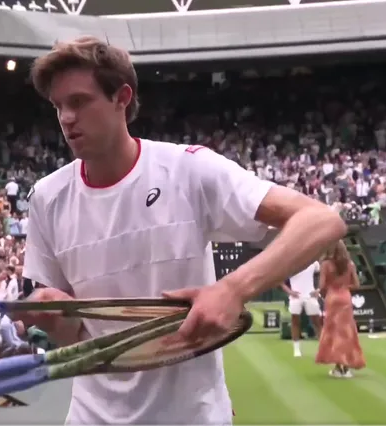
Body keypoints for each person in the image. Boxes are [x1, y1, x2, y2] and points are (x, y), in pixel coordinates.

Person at [19, 36, 347, 424]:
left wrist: (232, 290)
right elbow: (74, 336)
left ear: (121, 97)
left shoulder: (188, 169)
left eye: (78, 101)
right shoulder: (46, 197)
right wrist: (55, 318)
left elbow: (322, 220)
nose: (66, 118)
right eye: (58, 106)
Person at [315, 241, 366, 378]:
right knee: (346, 332)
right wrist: (344, 286)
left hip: (332, 299)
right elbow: (356, 284)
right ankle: (346, 368)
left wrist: (330, 288)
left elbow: (322, 285)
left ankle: (339, 368)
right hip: (345, 298)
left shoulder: (325, 264)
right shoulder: (350, 264)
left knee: (334, 332)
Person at [281, 261, 323, 357]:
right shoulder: (289, 264)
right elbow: (280, 281)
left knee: (317, 322)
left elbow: (324, 275)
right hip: (295, 296)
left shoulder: (314, 263)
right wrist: (290, 292)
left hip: (310, 296)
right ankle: (296, 350)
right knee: (295, 322)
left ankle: (322, 349)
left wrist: (318, 290)